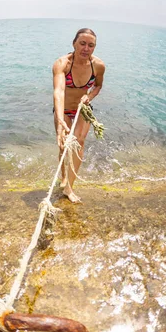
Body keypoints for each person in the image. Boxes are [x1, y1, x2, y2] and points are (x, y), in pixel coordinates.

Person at [52, 28, 106, 203]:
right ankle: (63, 176)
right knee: (63, 145)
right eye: (82, 43)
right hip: (63, 109)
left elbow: (97, 86)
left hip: (82, 109)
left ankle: (69, 188)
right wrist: (60, 121)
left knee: (78, 142)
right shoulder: (62, 63)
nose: (86, 48)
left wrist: (89, 96)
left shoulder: (98, 66)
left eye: (91, 45)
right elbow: (59, 92)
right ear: (74, 43)